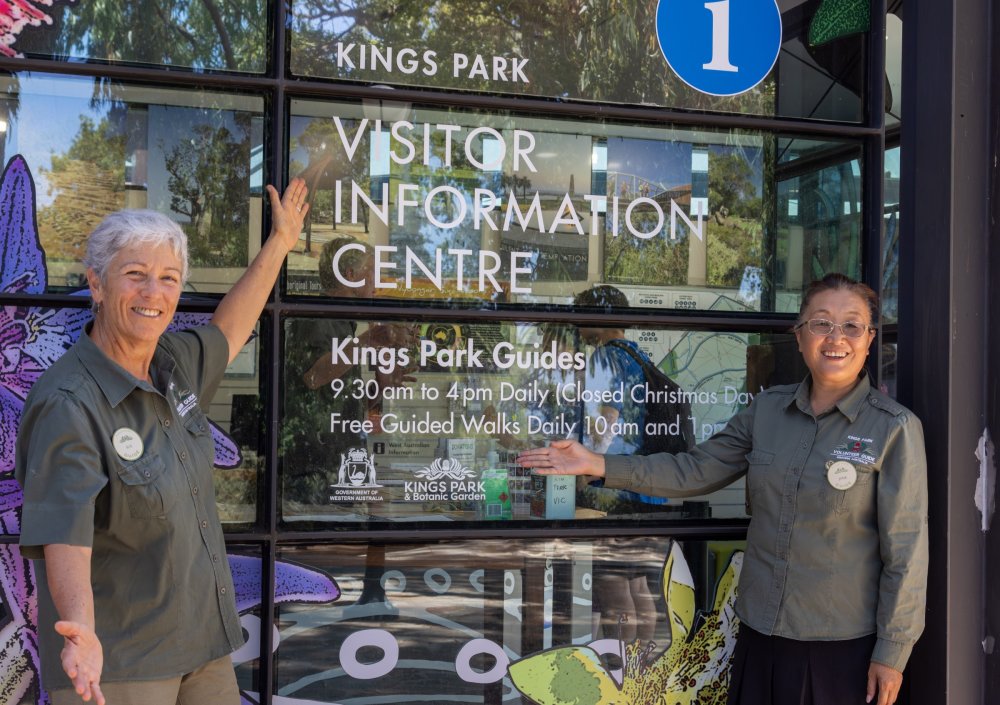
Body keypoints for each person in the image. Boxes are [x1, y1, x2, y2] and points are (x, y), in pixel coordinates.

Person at [518, 273, 928, 705]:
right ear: (800, 335)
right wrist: (597, 463)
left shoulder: (893, 428)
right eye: (821, 323)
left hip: (842, 650)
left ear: (868, 340)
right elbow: (694, 470)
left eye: (852, 325)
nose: (835, 338)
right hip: (759, 637)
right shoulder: (768, 411)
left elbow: (906, 554)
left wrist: (892, 653)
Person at [14, 179, 310, 705]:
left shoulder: (174, 363)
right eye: (136, 275)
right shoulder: (69, 401)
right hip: (121, 663)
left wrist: (280, 244)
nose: (155, 293)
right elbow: (65, 531)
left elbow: (231, 326)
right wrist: (80, 630)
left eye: (169, 279)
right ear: (97, 285)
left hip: (201, 649)